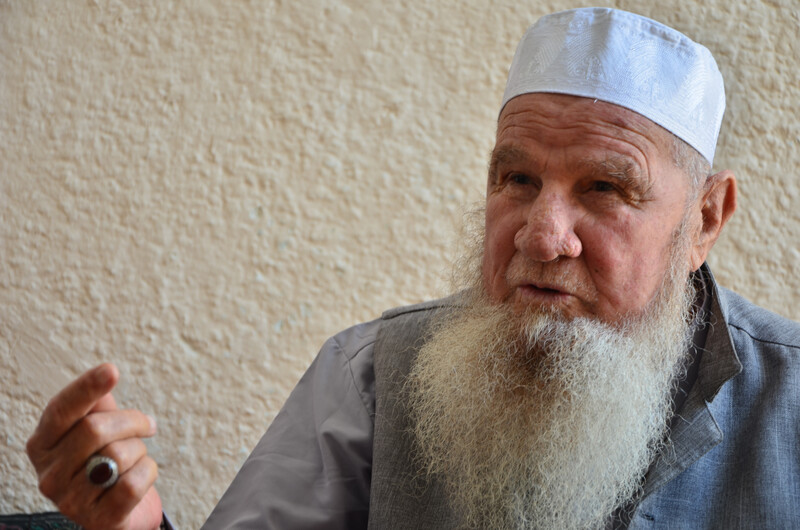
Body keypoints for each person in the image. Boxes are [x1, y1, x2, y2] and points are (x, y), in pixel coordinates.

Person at [26, 7, 800, 530]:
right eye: (517, 180)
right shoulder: (372, 376)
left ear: (704, 218)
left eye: (604, 188)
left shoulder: (791, 402)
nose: (542, 235)